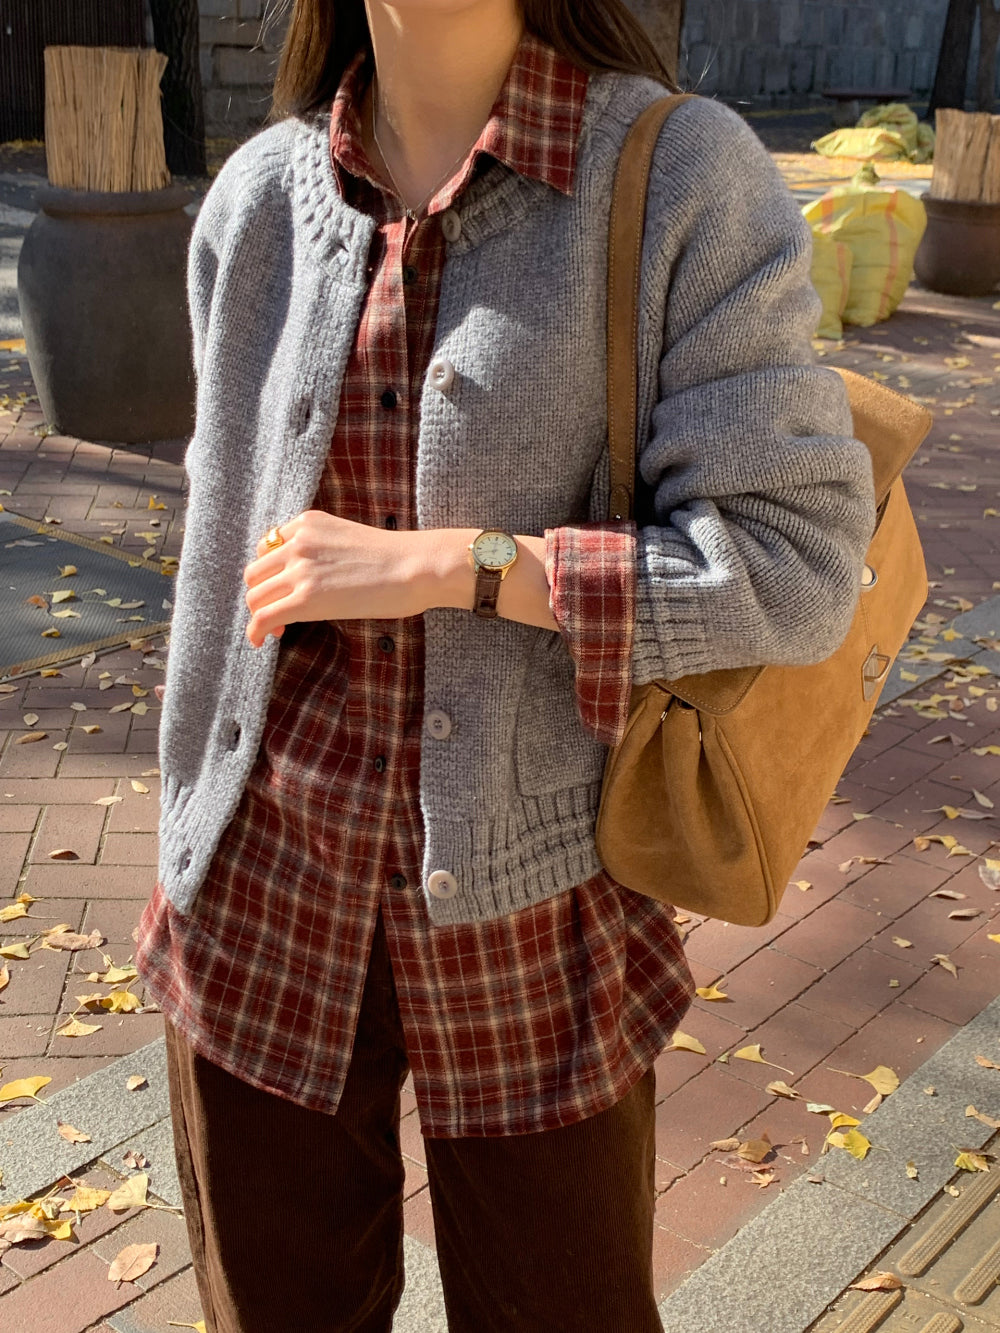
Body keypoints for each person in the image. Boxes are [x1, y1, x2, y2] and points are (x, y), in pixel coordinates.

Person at [135, 1, 876, 1329]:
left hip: (535, 908)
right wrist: (186, 819)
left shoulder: (678, 178)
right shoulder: (255, 201)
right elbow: (216, 548)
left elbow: (798, 564)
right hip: (258, 894)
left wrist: (458, 565)